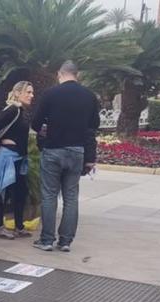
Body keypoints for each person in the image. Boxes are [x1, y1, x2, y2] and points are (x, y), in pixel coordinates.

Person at [30, 60, 100, 252]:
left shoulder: (51, 94)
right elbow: (93, 127)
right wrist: (90, 156)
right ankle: (66, 241)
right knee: (71, 197)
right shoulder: (89, 96)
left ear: (59, 74)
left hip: (53, 149)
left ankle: (46, 240)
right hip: (77, 151)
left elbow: (36, 123)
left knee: (49, 195)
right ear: (77, 75)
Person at [0, 81, 35, 239]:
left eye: (31, 92)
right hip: (8, 157)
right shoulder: (13, 110)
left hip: (19, 158)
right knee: (3, 193)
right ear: (18, 93)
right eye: (28, 92)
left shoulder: (21, 111)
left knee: (20, 193)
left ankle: (19, 226)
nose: (31, 95)